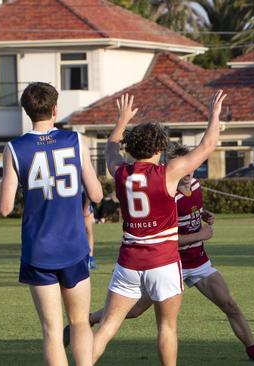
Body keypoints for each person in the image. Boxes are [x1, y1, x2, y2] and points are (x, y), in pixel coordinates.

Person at [82, 143, 254, 362]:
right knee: (135, 311)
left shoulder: (195, 185)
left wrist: (202, 216)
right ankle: (90, 319)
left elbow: (190, 212)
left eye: (190, 168)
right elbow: (164, 239)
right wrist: (200, 235)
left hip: (198, 261)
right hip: (166, 265)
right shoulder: (167, 193)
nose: (187, 173)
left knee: (229, 304)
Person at [92, 91, 226, 365]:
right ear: (159, 149)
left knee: (106, 326)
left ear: (131, 148)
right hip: (163, 261)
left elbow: (110, 148)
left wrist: (122, 120)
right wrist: (213, 114)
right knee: (167, 328)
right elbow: (208, 144)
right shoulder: (168, 172)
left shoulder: (120, 172)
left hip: (128, 261)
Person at [0, 82, 103, 366]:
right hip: (74, 245)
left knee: (52, 332)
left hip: (38, 250)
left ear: (27, 111)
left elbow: (5, 208)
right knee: (80, 321)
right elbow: (96, 194)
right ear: (55, 109)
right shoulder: (75, 140)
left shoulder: (15, 148)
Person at [82, 194, 97, 269]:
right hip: (72, 204)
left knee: (88, 231)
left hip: (84, 202)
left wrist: (86, 207)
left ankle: (90, 259)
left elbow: (88, 192)